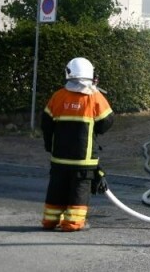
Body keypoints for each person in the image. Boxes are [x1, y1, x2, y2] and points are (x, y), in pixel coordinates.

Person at [40, 57, 114, 232]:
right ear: (91, 76)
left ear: (68, 73)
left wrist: (48, 145)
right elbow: (107, 122)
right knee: (79, 189)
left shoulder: (58, 96)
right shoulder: (95, 97)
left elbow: (46, 123)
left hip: (59, 158)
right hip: (83, 159)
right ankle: (73, 223)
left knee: (57, 187)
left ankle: (50, 220)